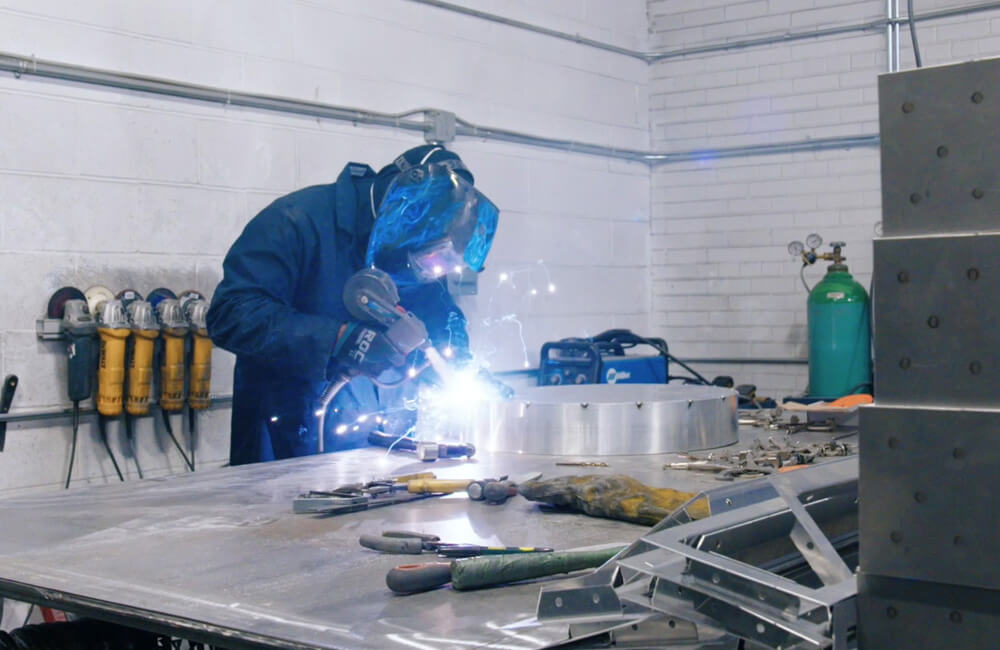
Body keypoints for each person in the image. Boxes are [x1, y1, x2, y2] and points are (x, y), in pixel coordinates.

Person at [206, 144, 499, 466]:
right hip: (288, 443)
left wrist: (457, 360)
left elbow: (438, 318)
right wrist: (338, 338)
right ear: (401, 206)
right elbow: (231, 313)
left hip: (380, 448)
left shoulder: (418, 246)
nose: (427, 268)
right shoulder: (295, 221)